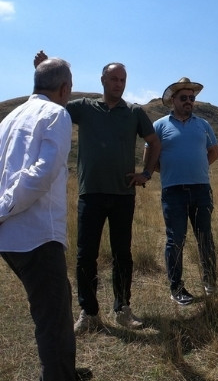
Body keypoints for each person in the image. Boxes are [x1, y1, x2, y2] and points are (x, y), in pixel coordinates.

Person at [34, 51, 161, 333]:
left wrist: (146, 173)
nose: (119, 84)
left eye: (123, 79)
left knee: (122, 254)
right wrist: (43, 70)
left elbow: (154, 142)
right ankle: (89, 313)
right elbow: (52, 103)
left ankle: (122, 308)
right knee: (85, 255)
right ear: (102, 80)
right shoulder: (83, 108)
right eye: (114, 79)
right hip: (89, 194)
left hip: (123, 195)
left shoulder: (134, 112)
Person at [0, 58, 92, 381]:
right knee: (53, 319)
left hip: (9, 238)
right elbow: (42, 173)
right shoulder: (56, 114)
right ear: (65, 88)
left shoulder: (8, 120)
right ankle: (59, 374)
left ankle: (62, 370)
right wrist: (4, 207)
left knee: (54, 304)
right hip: (36, 234)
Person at [146, 77, 218, 305]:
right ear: (173, 101)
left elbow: (214, 152)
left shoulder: (203, 125)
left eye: (192, 98)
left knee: (205, 238)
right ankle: (176, 288)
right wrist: (171, 170)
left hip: (201, 190)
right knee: (175, 240)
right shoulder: (159, 125)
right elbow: (150, 158)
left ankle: (210, 282)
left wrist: (196, 168)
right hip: (173, 191)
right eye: (184, 98)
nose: (189, 101)